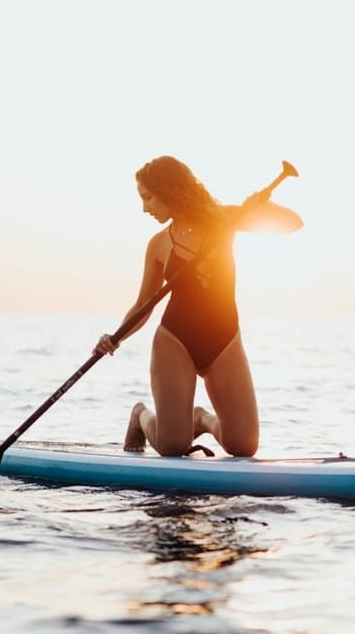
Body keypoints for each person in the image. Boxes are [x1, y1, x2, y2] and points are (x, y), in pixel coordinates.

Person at [94, 156, 302, 457]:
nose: (144, 208)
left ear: (169, 190)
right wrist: (114, 339)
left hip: (225, 340)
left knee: (243, 446)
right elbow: (143, 305)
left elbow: (293, 224)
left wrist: (261, 208)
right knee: (172, 446)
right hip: (174, 341)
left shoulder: (225, 220)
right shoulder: (158, 245)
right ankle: (140, 415)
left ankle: (199, 418)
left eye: (148, 197)